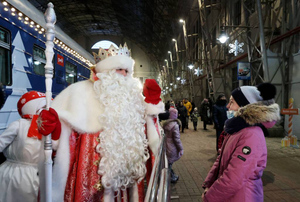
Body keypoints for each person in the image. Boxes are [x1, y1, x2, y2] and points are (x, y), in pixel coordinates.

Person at [37, 44, 164, 202]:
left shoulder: (133, 99)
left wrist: (152, 112)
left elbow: (149, 138)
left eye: (127, 71)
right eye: (119, 69)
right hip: (89, 178)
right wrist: (54, 129)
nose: (124, 75)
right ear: (106, 72)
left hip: (124, 182)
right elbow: (61, 139)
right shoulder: (79, 91)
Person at [202, 83, 280, 202]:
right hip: (232, 195)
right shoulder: (236, 130)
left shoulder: (251, 134)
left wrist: (210, 197)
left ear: (245, 107)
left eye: (232, 102)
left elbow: (235, 177)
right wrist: (209, 183)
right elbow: (221, 158)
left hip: (244, 196)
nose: (228, 106)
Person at [0, 91, 57, 202]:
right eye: (43, 106)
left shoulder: (49, 128)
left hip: (37, 174)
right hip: (16, 174)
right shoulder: (19, 124)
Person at [162, 108, 183, 183]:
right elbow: (177, 139)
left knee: (167, 162)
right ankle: (171, 177)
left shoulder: (165, 124)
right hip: (172, 146)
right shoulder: (175, 125)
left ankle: (172, 175)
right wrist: (180, 149)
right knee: (169, 164)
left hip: (165, 144)